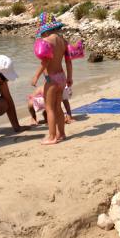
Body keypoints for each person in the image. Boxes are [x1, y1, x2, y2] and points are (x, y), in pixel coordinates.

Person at [31, 12, 73, 145]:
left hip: (52, 79)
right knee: (58, 107)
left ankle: (52, 136)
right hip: (62, 77)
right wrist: (70, 78)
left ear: (45, 29)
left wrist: (36, 76)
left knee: (49, 108)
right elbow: (68, 62)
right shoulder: (63, 41)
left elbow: (46, 62)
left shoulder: (47, 41)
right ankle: (62, 134)